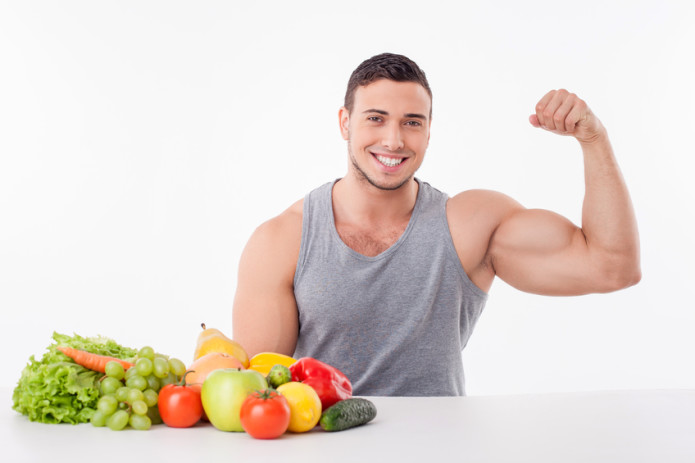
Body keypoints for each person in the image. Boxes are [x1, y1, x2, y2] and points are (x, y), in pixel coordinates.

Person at [232, 53, 641, 396]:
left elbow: (612, 267)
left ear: (429, 132)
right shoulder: (282, 240)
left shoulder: (470, 226)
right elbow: (255, 395)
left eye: (412, 122)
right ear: (345, 122)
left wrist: (594, 139)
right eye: (376, 118)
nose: (393, 140)